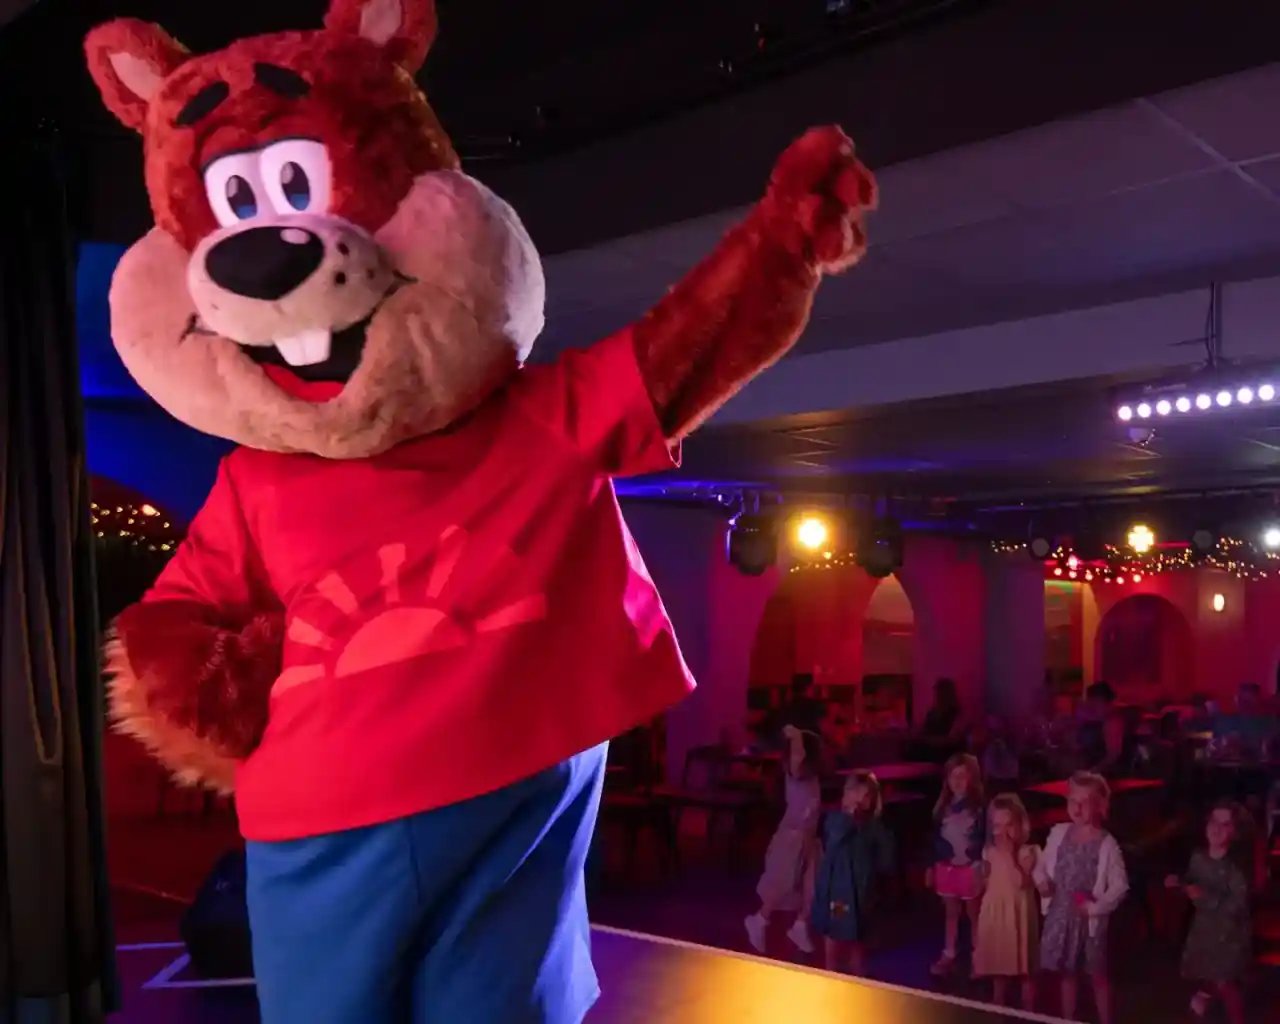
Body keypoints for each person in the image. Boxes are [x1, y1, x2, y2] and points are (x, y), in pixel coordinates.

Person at [1035, 772, 1129, 1024]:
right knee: (1068, 973)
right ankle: (1069, 1019)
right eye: (1072, 800)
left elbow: (1120, 886)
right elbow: (1041, 865)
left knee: (1097, 975)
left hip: (1087, 921)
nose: (1076, 807)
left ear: (1100, 806)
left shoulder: (1107, 844)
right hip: (1060, 914)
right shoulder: (1058, 833)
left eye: (1085, 801)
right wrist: (1041, 882)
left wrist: (1095, 908)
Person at [1164, 801, 1255, 1023]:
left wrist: (1203, 895)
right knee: (1207, 970)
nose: (1217, 828)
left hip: (1229, 934)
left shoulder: (1236, 868)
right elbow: (1192, 883)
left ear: (1234, 831)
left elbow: (1237, 905)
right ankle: (1205, 994)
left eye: (1225, 824)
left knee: (1225, 981)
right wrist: (1179, 884)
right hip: (1205, 929)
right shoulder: (1198, 857)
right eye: (1214, 821)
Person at [745, 726, 823, 955]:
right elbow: (797, 752)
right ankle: (759, 919)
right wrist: (796, 734)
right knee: (784, 882)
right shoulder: (795, 771)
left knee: (813, 885)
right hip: (792, 835)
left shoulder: (809, 776)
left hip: (808, 836)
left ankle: (800, 925)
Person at [809, 770, 895, 976]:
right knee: (834, 930)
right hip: (838, 894)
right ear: (846, 794)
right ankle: (830, 969)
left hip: (862, 892)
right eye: (856, 794)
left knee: (858, 934)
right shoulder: (834, 820)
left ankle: (858, 973)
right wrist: (849, 815)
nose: (860, 800)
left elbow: (886, 859)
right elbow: (836, 837)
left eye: (866, 796)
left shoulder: (874, 827)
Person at [973, 794, 1041, 1009]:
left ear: (1021, 824)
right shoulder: (988, 852)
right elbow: (983, 886)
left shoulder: (1028, 852)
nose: (1003, 832)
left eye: (1009, 825)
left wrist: (1010, 855)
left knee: (1024, 967)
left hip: (1018, 915)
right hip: (997, 914)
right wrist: (980, 875)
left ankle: (1028, 1008)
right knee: (999, 964)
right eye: (997, 825)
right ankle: (998, 1002)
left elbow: (1021, 881)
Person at [927, 752, 986, 975]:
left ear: (973, 778)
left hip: (970, 869)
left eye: (963, 775)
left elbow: (986, 838)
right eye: (954, 776)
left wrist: (983, 865)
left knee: (974, 913)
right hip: (946, 868)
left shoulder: (979, 808)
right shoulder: (942, 807)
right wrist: (931, 866)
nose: (958, 781)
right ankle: (949, 952)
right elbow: (933, 838)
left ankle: (978, 956)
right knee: (951, 912)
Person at [919, 678, 967, 760]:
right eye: (937, 694)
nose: (937, 697)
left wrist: (932, 741)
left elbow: (953, 740)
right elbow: (924, 731)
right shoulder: (931, 713)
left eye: (940, 694)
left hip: (946, 752)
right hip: (930, 748)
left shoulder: (956, 714)